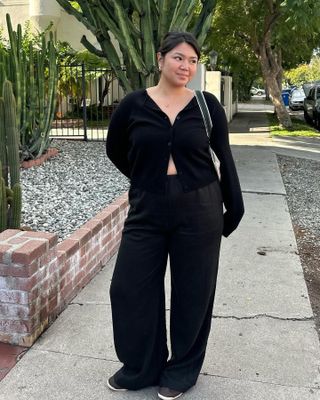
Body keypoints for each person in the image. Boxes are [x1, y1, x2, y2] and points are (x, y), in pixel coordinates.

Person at [106, 31, 244, 400]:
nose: (186, 66)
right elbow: (115, 149)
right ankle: (142, 366)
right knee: (128, 289)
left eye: (193, 61)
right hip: (148, 208)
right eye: (179, 58)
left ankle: (182, 370)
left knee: (193, 293)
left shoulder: (206, 105)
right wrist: (146, 178)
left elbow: (224, 158)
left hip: (200, 208)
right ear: (160, 58)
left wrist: (235, 206)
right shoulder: (133, 105)